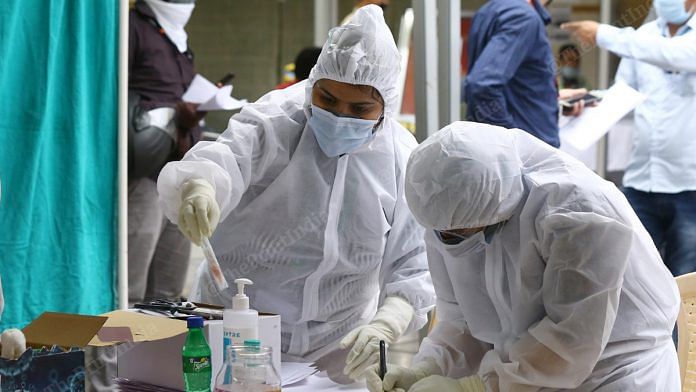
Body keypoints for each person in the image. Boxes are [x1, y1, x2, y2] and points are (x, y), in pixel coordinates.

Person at [158, 5, 434, 381]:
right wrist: (201, 185)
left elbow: (415, 260)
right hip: (239, 327)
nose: (340, 116)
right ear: (313, 85)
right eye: (328, 100)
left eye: (360, 108)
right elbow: (227, 157)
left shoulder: (401, 159)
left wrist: (389, 321)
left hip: (340, 344)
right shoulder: (276, 121)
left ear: (385, 106)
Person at [366, 122, 681, 391]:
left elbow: (573, 341)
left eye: (463, 230)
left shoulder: (579, 212)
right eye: (447, 233)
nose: (452, 240)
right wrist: (427, 369)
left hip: (617, 372)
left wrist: (475, 386)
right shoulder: (447, 214)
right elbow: (463, 320)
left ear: (500, 208)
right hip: (521, 375)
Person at [563, 0, 696, 276]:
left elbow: (672, 54)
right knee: (629, 274)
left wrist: (602, 34)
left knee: (683, 280)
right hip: (641, 181)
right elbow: (621, 94)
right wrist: (585, 100)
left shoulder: (642, 43)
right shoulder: (643, 36)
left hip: (689, 185)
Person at [128, 0, 205, 305]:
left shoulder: (179, 37)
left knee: (168, 291)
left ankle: (158, 352)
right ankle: (112, 354)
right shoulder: (133, 27)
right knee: (130, 283)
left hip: (176, 172)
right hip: (143, 171)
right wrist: (174, 112)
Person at [464, 0, 560, 147]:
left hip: (502, 152)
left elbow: (510, 85)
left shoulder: (490, 9)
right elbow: (481, 85)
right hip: (526, 158)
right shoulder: (524, 17)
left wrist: (552, 98)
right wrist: (513, 143)